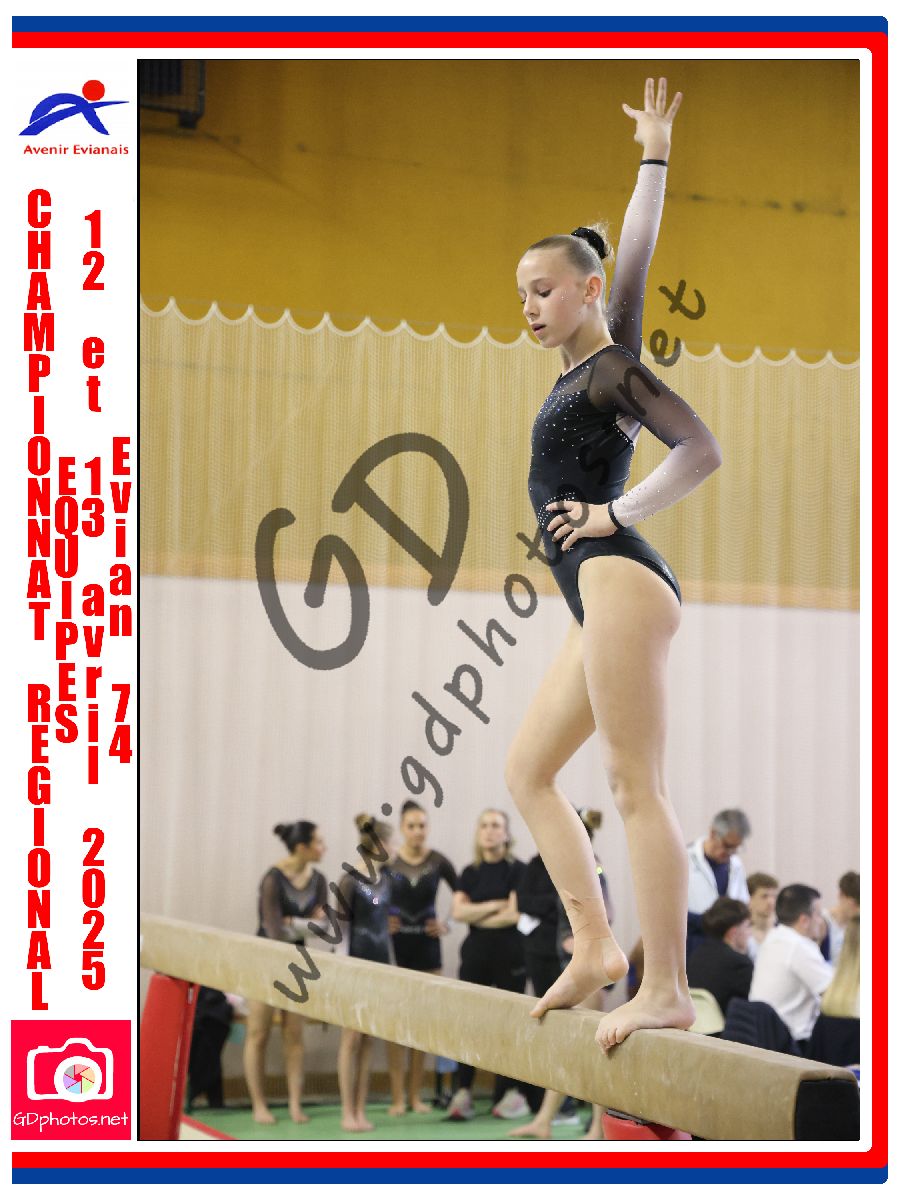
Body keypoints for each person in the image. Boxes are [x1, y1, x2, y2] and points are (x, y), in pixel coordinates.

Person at [506, 77, 722, 1052]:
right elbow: (631, 256)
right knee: (529, 771)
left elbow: (700, 450)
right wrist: (652, 154)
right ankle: (595, 945)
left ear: (585, 291)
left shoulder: (613, 372)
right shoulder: (589, 367)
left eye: (544, 289)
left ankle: (667, 984)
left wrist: (611, 512)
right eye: (521, 294)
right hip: (595, 594)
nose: (529, 306)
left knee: (634, 785)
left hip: (621, 578)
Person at [510, 807, 611, 1139]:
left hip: (588, 965)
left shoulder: (591, 867)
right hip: (568, 964)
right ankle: (544, 1121)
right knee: (564, 1045)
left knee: (595, 1047)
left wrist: (582, 938)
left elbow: (605, 912)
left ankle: (598, 1126)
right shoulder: (565, 867)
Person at [243, 820, 328, 1125]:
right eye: (319, 843)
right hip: (265, 960)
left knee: (294, 1035)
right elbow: (273, 930)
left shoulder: (319, 880)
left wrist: (293, 921)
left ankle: (294, 1103)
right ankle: (259, 1104)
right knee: (259, 1033)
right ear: (302, 847)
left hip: (296, 964)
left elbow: (325, 928)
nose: (324, 848)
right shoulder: (273, 878)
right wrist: (303, 924)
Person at [448, 809, 528, 1119]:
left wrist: (477, 912)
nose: (489, 831)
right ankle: (463, 1091)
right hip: (475, 955)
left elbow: (515, 915)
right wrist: (496, 905)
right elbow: (457, 913)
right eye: (484, 825)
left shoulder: (518, 870)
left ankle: (510, 1092)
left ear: (507, 833)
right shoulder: (470, 872)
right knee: (469, 1021)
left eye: (496, 825)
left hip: (510, 955)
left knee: (508, 1023)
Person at [386, 799, 457, 1116]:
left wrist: (447, 924)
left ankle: (415, 1095)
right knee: (395, 1026)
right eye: (411, 826)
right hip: (395, 948)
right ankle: (397, 1098)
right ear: (402, 829)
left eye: (422, 825)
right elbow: (368, 896)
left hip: (428, 950)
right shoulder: (388, 862)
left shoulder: (438, 861)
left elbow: (463, 895)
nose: (418, 831)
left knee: (422, 1025)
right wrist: (379, 920)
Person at [337, 813, 394, 1132]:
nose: (395, 848)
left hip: (380, 964)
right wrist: (344, 970)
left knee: (369, 1037)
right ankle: (347, 1110)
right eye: (392, 842)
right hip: (355, 965)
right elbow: (340, 932)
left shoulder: (386, 879)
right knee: (351, 1037)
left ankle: (360, 1108)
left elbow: (385, 926)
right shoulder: (349, 880)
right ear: (380, 844)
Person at [749, 884, 833, 1049]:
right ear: (804, 920)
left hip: (766, 1039)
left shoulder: (774, 936)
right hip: (792, 1046)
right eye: (818, 914)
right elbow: (835, 995)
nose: (822, 921)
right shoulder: (798, 947)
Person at [686, 897, 754, 1018]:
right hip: (723, 1027)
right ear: (733, 932)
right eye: (748, 926)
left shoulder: (697, 954)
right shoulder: (741, 964)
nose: (750, 933)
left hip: (695, 1025)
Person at [821, 870, 860, 963]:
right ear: (841, 895)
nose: (858, 910)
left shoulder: (857, 924)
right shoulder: (822, 921)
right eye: (854, 904)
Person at [745, 871, 779, 960]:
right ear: (749, 899)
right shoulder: (742, 935)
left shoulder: (782, 932)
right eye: (764, 896)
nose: (771, 902)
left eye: (774, 896)